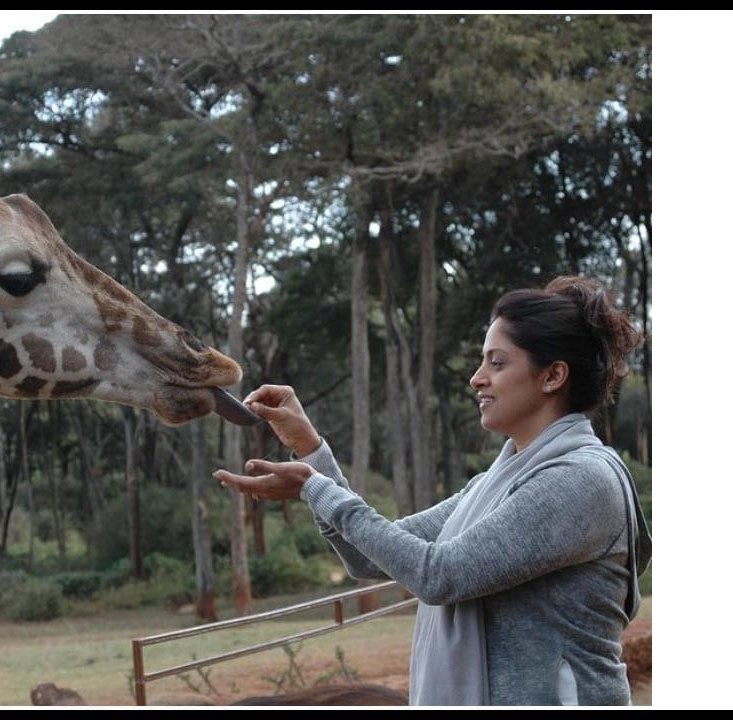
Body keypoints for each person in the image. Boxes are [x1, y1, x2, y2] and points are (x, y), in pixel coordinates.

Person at [214, 276, 652, 706]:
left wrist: (316, 488)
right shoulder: (494, 486)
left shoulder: (582, 480)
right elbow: (367, 556)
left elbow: (440, 575)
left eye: (497, 363)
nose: (477, 379)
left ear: (553, 375)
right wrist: (311, 452)